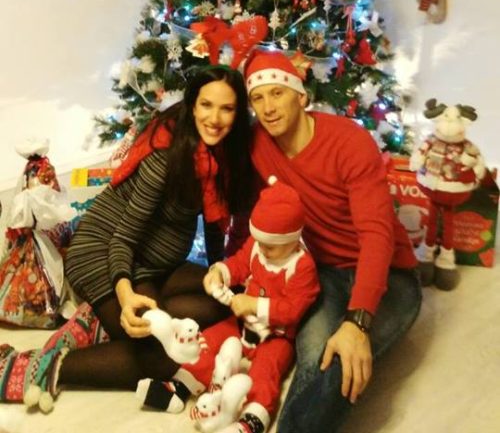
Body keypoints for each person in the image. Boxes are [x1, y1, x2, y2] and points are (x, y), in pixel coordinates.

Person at [0, 65, 254, 411]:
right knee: (162, 355)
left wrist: (218, 270)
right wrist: (126, 293)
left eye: (227, 108)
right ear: (192, 105)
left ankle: (101, 324)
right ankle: (32, 367)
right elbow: (123, 239)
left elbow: (213, 224)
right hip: (104, 252)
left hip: (156, 266)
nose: (215, 118)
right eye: (206, 105)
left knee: (225, 299)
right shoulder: (165, 157)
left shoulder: (220, 157)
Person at [245, 50, 422, 433]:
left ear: (301, 95)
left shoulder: (349, 141)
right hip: (323, 271)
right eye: (257, 98)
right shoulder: (258, 144)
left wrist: (357, 321)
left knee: (343, 361)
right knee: (316, 358)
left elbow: (377, 235)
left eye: (277, 93)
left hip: (389, 275)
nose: (268, 107)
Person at [136, 177, 320, 433]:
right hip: (242, 322)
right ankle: (180, 386)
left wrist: (254, 304)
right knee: (210, 339)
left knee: (265, 372)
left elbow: (293, 310)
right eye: (260, 243)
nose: (263, 250)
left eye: (270, 247)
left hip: (276, 336)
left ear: (292, 239)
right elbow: (239, 263)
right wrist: (220, 273)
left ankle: (252, 418)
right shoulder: (258, 246)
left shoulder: (302, 266)